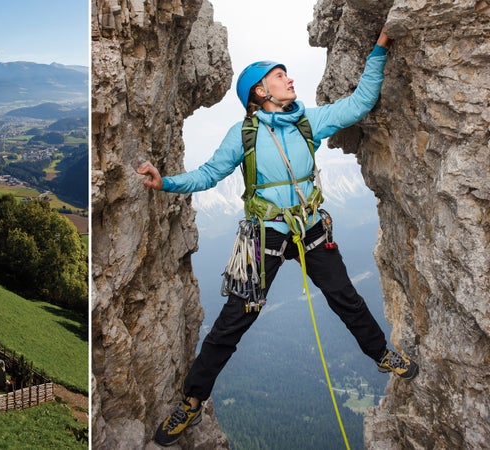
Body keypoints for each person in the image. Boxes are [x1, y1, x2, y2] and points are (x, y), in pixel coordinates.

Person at [138, 27, 419, 447]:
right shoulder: (245, 134)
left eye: (287, 73)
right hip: (264, 234)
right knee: (233, 322)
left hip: (308, 227)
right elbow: (211, 173)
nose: (289, 79)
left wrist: (379, 49)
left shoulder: (309, 120)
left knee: (345, 297)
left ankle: (381, 354)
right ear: (259, 92)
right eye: (279, 75)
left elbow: (361, 101)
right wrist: (166, 184)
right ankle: (192, 402)